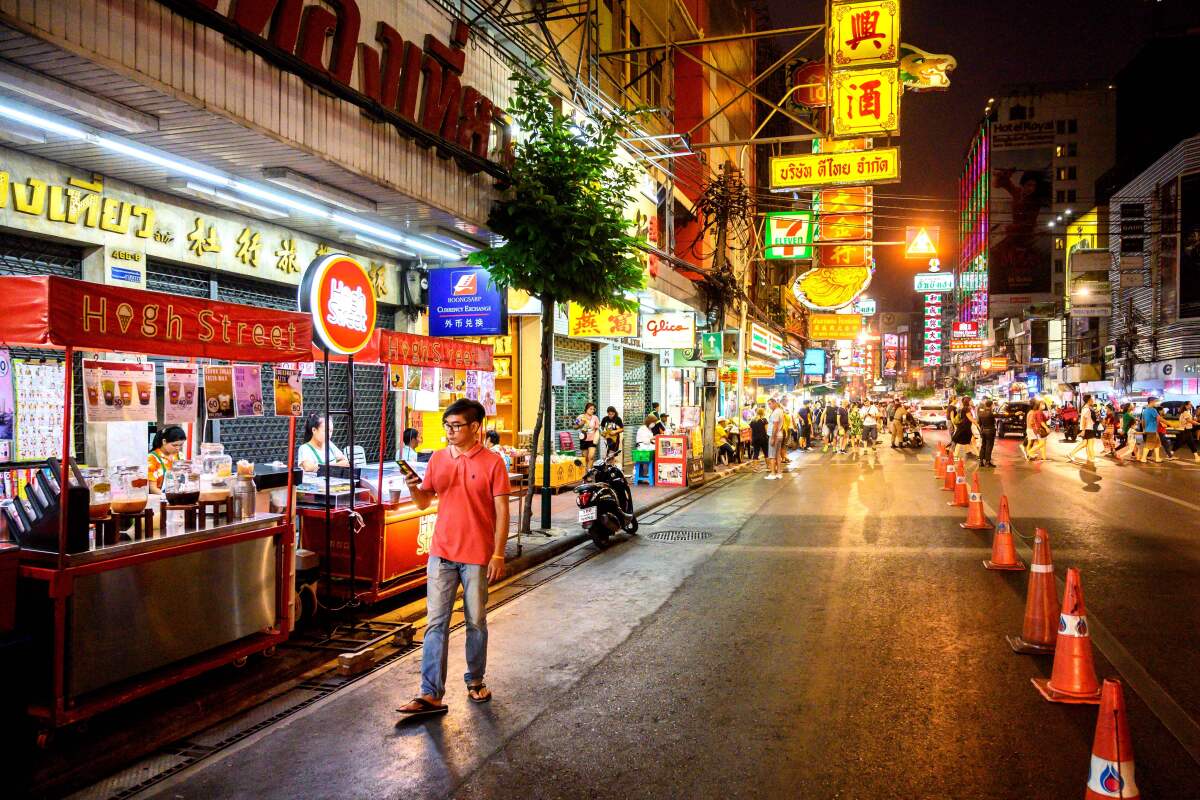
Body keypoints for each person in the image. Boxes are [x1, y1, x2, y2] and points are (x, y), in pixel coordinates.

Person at [397, 399, 511, 719]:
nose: (450, 431)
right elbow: (423, 501)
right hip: (441, 553)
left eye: (456, 425)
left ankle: (475, 680)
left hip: (476, 556)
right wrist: (412, 487)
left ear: (475, 428)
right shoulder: (437, 458)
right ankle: (430, 693)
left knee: (475, 621)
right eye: (447, 425)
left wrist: (498, 553)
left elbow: (502, 512)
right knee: (436, 623)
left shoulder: (493, 463)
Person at [148, 425, 187, 494]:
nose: (178, 448)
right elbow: (152, 488)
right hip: (160, 498)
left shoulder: (180, 456)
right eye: (174, 445)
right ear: (164, 441)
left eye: (181, 445)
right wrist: (166, 497)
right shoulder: (152, 458)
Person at [1068, 395, 1101, 466]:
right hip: (1088, 428)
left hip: (1088, 428)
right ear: (1089, 400)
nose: (1093, 401)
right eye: (1092, 399)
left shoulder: (1087, 408)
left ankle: (1073, 454)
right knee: (1090, 444)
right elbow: (1084, 420)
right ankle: (1092, 457)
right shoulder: (1086, 409)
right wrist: (1083, 430)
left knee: (1085, 444)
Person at [951, 397, 976, 461]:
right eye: (971, 400)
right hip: (964, 428)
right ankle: (955, 456)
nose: (972, 401)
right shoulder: (966, 409)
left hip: (965, 427)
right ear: (968, 402)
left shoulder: (966, 408)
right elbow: (970, 418)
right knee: (960, 443)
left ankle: (976, 455)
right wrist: (977, 424)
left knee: (968, 442)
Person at [1139, 398, 1164, 463]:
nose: (1156, 403)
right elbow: (1159, 419)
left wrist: (1144, 429)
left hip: (1151, 430)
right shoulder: (1153, 410)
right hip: (1152, 430)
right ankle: (1143, 458)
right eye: (1155, 402)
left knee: (1157, 444)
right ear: (1151, 402)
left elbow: (1142, 421)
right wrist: (1171, 424)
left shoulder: (1145, 411)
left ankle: (1157, 458)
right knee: (1148, 445)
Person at [766, 397, 785, 478]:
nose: (769, 406)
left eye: (770, 404)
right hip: (780, 434)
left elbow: (775, 425)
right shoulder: (780, 411)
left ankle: (773, 473)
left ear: (774, 403)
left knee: (772, 455)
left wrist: (773, 437)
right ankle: (779, 473)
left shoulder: (776, 412)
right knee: (777, 455)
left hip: (775, 435)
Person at [977, 399, 997, 467]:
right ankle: (988, 462)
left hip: (983, 431)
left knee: (983, 445)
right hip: (990, 431)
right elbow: (999, 417)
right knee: (989, 446)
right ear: (991, 405)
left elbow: (979, 423)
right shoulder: (991, 413)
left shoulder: (981, 413)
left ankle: (981, 461)